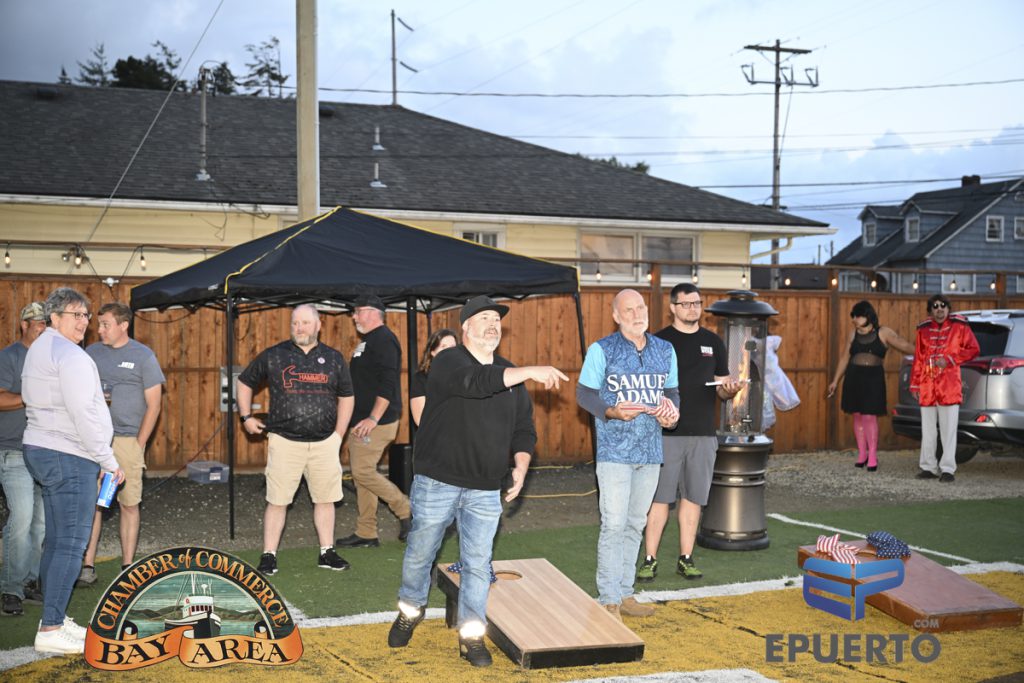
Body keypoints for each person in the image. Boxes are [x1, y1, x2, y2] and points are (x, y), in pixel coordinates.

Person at [387, 295, 567, 667]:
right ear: (466, 327)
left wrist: (521, 465)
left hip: (486, 487)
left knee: (478, 563)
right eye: (483, 318)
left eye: (496, 320)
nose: (492, 324)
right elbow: (477, 382)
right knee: (421, 552)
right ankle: (411, 608)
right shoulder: (449, 361)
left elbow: (523, 429)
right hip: (438, 480)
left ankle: (471, 636)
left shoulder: (510, 372)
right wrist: (530, 371)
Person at [21, 287, 124, 654]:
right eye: (75, 314)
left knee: (56, 541)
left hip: (45, 449)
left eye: (85, 315)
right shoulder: (69, 354)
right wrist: (108, 460)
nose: (83, 322)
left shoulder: (41, 348)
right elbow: (83, 414)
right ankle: (51, 628)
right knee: (71, 543)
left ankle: (55, 617)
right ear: (54, 317)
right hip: (68, 453)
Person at [576, 289, 679, 620]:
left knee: (635, 524)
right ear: (616, 316)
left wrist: (672, 413)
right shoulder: (601, 349)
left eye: (641, 308)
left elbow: (671, 392)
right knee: (614, 524)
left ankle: (625, 593)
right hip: (614, 452)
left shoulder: (665, 350)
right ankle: (609, 599)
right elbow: (584, 394)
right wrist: (611, 411)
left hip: (650, 451)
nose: (637, 314)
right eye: (629, 310)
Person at [236, 304, 355, 575]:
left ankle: (327, 552)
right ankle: (269, 555)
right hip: (285, 441)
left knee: (325, 499)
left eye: (304, 323)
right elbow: (244, 382)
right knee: (277, 500)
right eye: (295, 323)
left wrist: (338, 435)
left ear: (318, 326)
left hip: (325, 443)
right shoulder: (275, 355)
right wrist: (246, 417)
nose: (299, 328)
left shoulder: (334, 358)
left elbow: (347, 397)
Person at [637, 284, 740, 584]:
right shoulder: (657, 342)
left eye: (697, 303)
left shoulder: (713, 342)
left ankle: (686, 558)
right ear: (673, 307)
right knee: (660, 500)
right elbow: (645, 386)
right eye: (686, 304)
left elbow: (722, 389)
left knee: (693, 498)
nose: (693, 308)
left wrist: (730, 390)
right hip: (665, 435)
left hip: (704, 434)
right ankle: (649, 559)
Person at [78, 302, 165, 584]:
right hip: (94, 440)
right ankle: (87, 565)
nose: (100, 329)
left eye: (105, 324)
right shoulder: (91, 353)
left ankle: (128, 565)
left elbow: (154, 405)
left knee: (129, 504)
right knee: (94, 503)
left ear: (123, 325)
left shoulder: (143, 356)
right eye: (99, 324)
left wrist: (139, 444)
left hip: (127, 441)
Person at [336, 295, 411, 549]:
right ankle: (366, 531)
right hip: (362, 420)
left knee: (362, 472)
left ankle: (405, 508)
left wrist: (372, 418)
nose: (354, 316)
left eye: (357, 311)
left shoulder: (384, 339)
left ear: (372, 312)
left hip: (376, 422)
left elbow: (388, 384)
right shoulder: (368, 341)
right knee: (362, 476)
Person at [827, 300, 915, 472]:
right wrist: (835, 381)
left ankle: (872, 455)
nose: (854, 319)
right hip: (853, 377)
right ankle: (862, 454)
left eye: (858, 315)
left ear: (868, 316)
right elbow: (845, 358)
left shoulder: (883, 332)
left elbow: (903, 345)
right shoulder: (852, 334)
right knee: (857, 416)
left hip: (873, 378)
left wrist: (925, 352)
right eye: (853, 316)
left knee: (869, 416)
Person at [0, 302, 47, 617]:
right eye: (37, 323)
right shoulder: (9, 357)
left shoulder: (51, 360)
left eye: (46, 323)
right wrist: (31, 398)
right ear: (24, 325)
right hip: (14, 450)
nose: (42, 328)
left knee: (41, 524)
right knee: (21, 519)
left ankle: (30, 580)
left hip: (45, 450)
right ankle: (11, 588)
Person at [910, 294, 979, 482]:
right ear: (930, 310)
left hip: (949, 386)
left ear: (948, 308)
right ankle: (928, 467)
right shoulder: (923, 329)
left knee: (949, 430)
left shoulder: (960, 326)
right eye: (935, 306)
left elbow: (973, 349)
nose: (939, 309)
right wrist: (915, 384)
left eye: (942, 306)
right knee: (928, 430)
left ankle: (948, 469)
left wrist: (950, 359)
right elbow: (918, 358)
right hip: (927, 385)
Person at [409, 328, 457, 426]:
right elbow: (420, 420)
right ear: (433, 352)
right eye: (443, 346)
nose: (449, 351)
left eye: (452, 347)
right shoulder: (421, 378)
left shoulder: (463, 376)